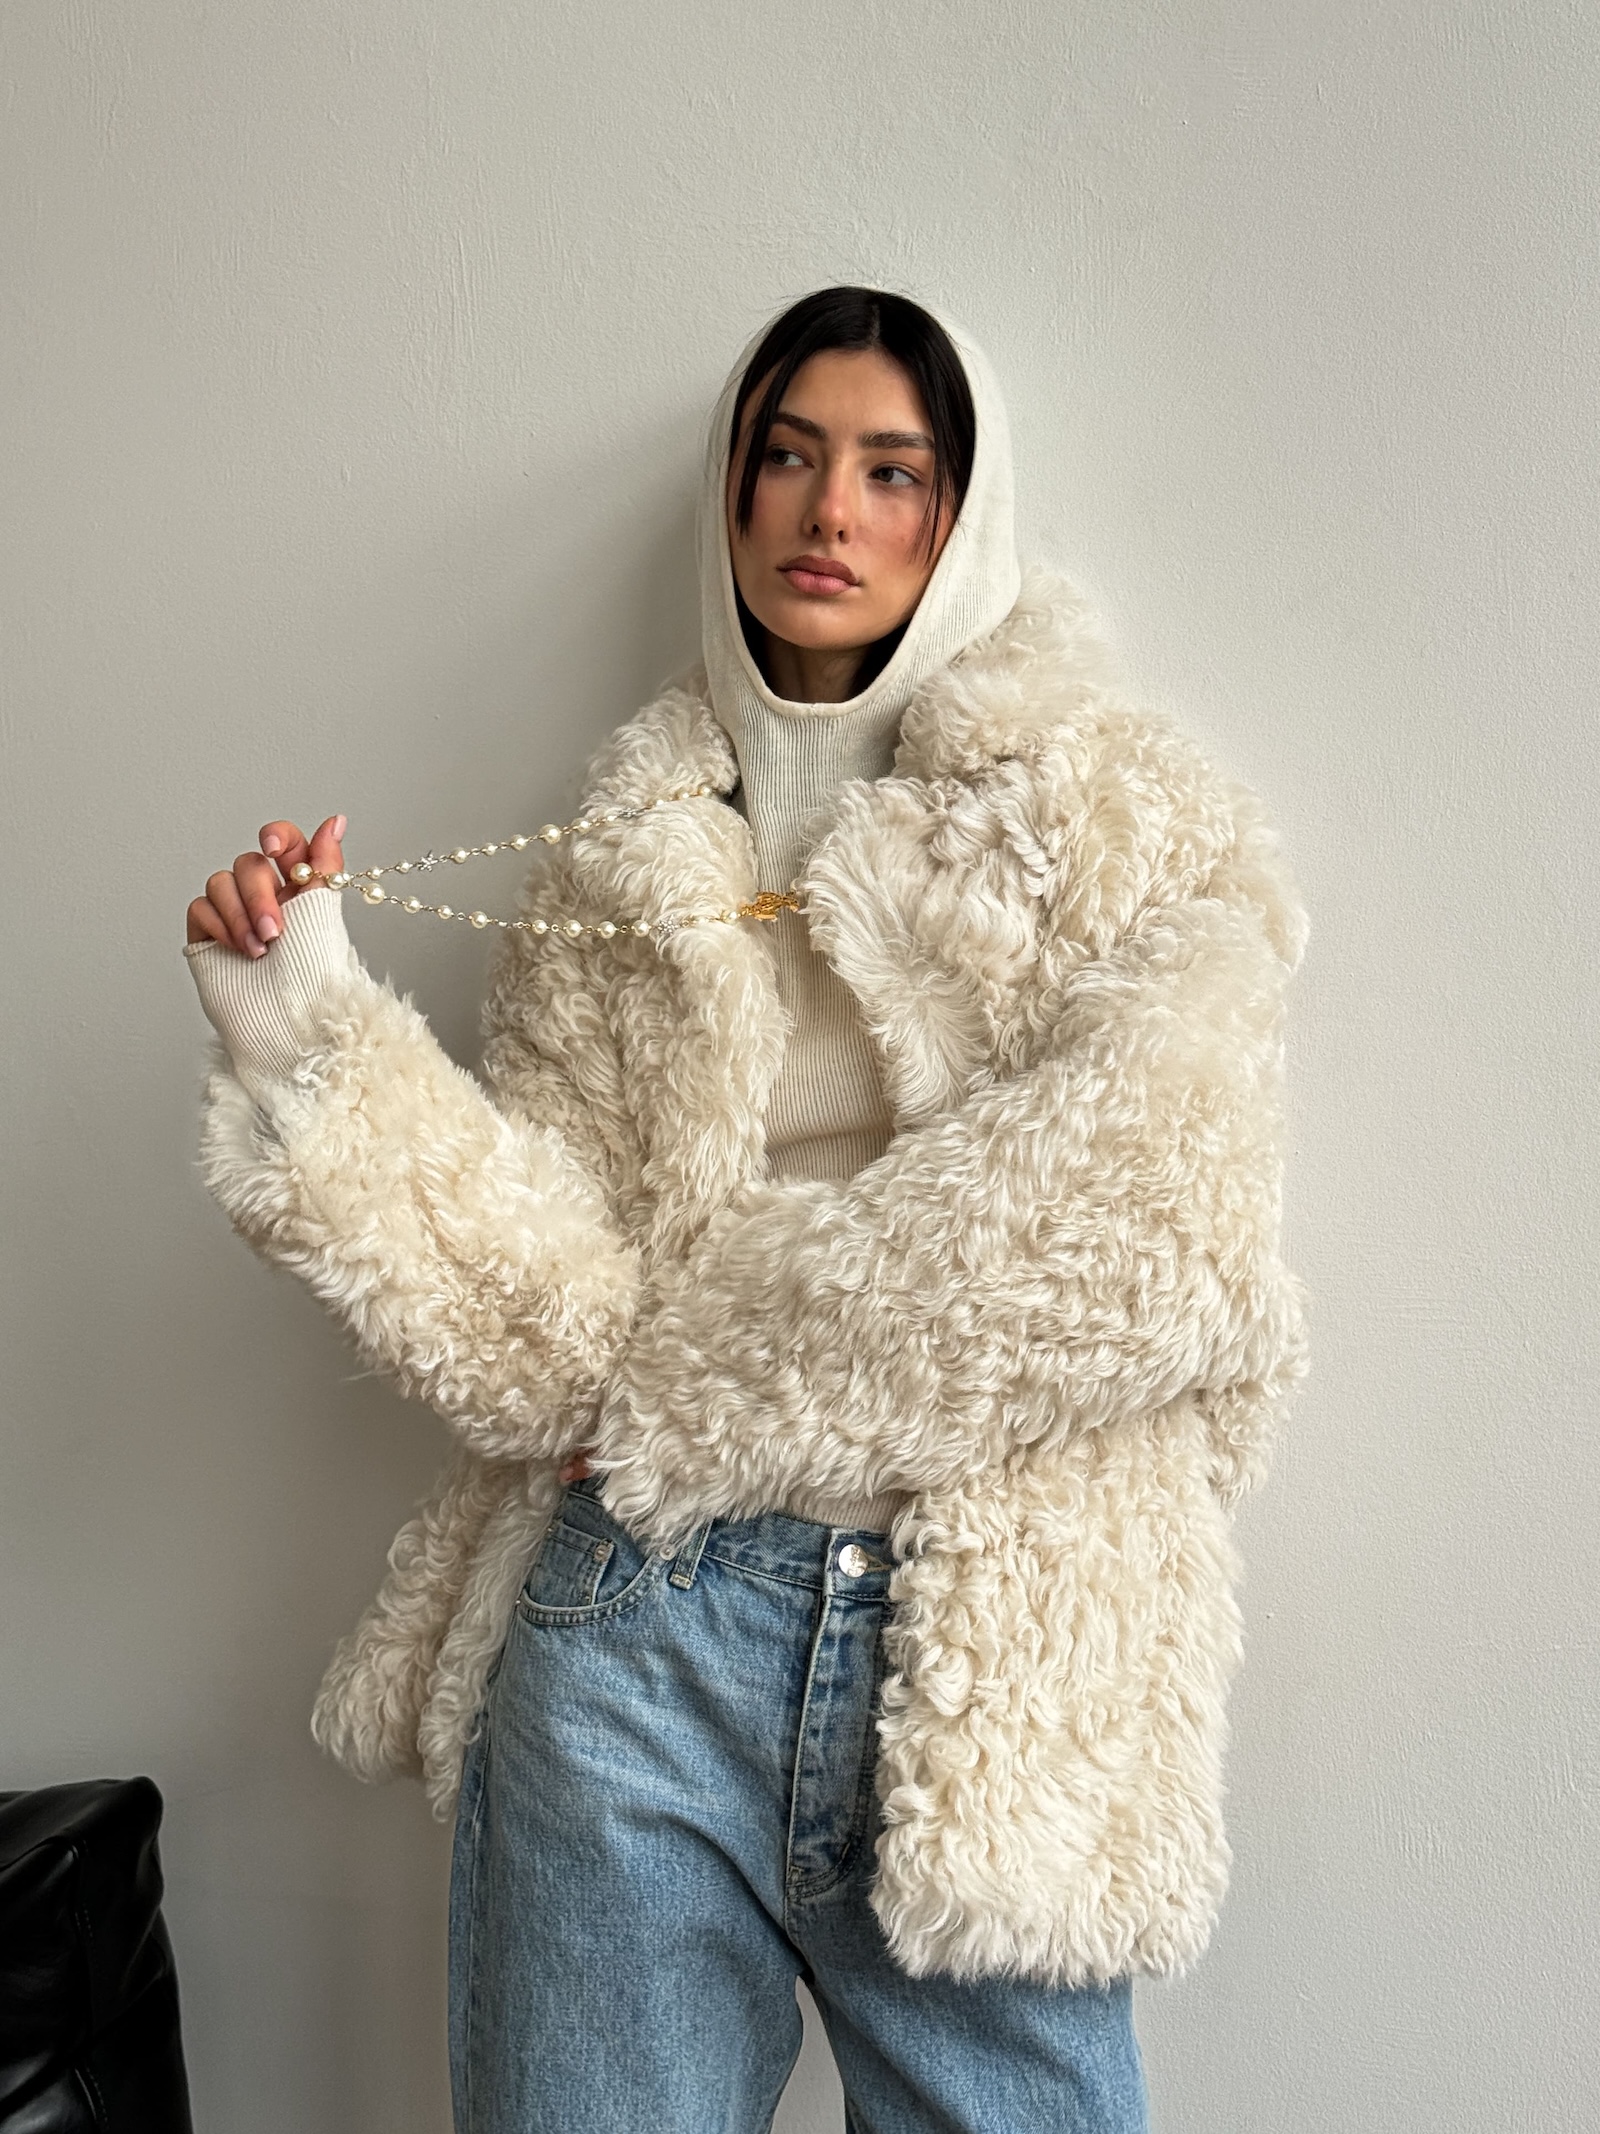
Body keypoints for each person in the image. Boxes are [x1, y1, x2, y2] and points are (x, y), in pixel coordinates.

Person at [183, 286, 1310, 2133]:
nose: (829, 510)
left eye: (893, 470)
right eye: (788, 455)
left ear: (961, 516)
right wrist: (308, 1029)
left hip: (990, 1646)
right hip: (634, 1626)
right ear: (733, 490)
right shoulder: (616, 867)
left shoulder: (1123, 822)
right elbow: (550, 1338)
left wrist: (681, 1391)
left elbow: (1143, 1230)